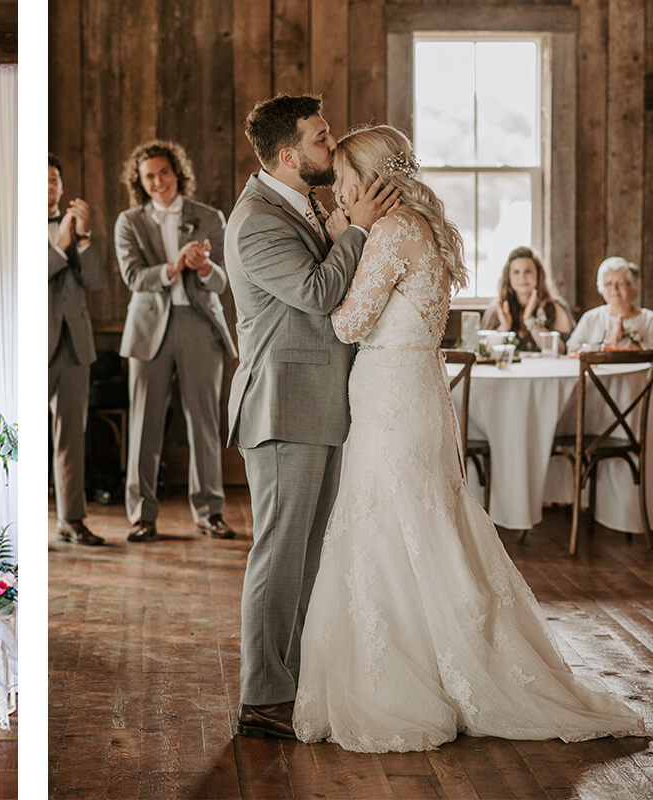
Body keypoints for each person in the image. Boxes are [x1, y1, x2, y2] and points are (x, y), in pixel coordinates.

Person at [292, 124, 644, 752]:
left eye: (344, 177)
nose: (338, 190)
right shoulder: (422, 228)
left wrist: (344, 242)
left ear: (373, 179)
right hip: (414, 391)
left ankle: (412, 678)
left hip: (392, 397)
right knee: (421, 521)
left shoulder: (389, 232)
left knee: (390, 522)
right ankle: (442, 660)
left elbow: (347, 325)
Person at [225, 94, 397, 739]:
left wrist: (344, 226)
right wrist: (358, 230)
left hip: (317, 401)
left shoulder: (302, 206)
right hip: (284, 405)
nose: (333, 144)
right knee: (279, 554)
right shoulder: (256, 221)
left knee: (306, 554)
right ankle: (262, 696)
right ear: (289, 154)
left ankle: (292, 682)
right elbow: (320, 293)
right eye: (322, 138)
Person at [113, 140, 238, 543]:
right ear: (140, 182)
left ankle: (210, 513)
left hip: (199, 326)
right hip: (148, 330)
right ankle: (141, 516)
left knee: (204, 423)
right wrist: (173, 266)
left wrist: (204, 268)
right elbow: (134, 277)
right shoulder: (129, 222)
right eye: (149, 176)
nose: (158, 181)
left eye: (163, 172)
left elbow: (224, 282)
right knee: (144, 425)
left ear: (177, 173)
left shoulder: (210, 217)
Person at [48, 153, 106, 546]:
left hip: (74, 345)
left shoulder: (76, 226)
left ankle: (71, 520)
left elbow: (97, 280)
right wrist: (59, 249)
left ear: (62, 186)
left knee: (72, 437)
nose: (48, 186)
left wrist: (82, 239)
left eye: (54, 179)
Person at [480, 247, 573, 352]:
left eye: (528, 271)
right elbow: (484, 351)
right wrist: (504, 327)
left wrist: (530, 320)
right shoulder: (497, 308)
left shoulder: (556, 307)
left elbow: (561, 350)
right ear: (508, 277)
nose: (522, 277)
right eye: (516, 272)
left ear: (538, 274)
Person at [566, 257, 653, 353]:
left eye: (621, 283)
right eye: (608, 284)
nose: (614, 289)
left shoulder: (649, 319)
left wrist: (626, 342)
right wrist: (607, 346)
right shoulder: (591, 318)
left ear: (633, 288)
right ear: (602, 289)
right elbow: (572, 350)